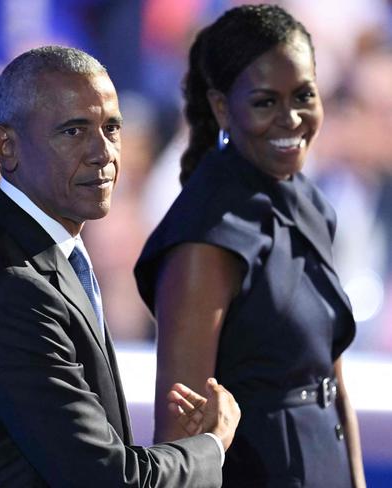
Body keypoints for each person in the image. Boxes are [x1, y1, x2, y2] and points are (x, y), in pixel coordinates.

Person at [0, 45, 240, 487]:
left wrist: (176, 452)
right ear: (5, 145)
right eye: (73, 131)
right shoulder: (13, 290)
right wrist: (210, 446)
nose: (102, 152)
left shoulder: (48, 251)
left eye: (112, 128)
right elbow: (107, 480)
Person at [134, 5, 365, 488]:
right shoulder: (204, 238)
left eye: (304, 95)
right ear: (222, 107)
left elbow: (331, 380)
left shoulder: (312, 203)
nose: (292, 118)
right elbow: (180, 432)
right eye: (265, 102)